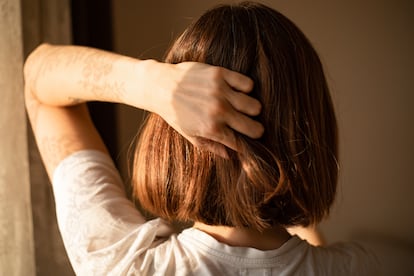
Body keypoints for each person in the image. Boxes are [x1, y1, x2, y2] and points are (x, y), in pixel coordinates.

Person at [24, 2, 378, 275]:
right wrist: (280, 173)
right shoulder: (364, 268)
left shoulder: (121, 264)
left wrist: (151, 83)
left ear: (172, 130)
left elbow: (39, 79)